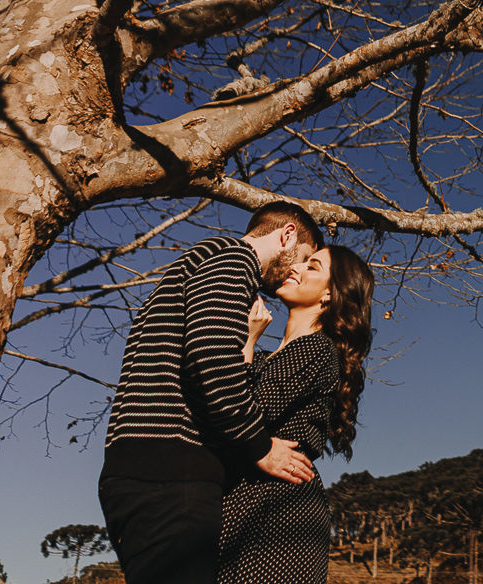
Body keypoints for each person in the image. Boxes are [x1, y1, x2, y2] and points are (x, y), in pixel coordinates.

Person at [99, 202, 323, 584]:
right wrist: (261, 447)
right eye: (301, 258)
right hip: (172, 468)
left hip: (147, 465)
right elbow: (212, 357)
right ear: (286, 235)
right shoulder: (232, 258)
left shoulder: (202, 262)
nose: (295, 270)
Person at [217, 243, 375, 584]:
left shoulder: (317, 349)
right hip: (252, 503)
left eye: (312, 267)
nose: (297, 268)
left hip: (278, 512)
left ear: (330, 296)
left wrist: (245, 343)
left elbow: (245, 412)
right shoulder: (266, 358)